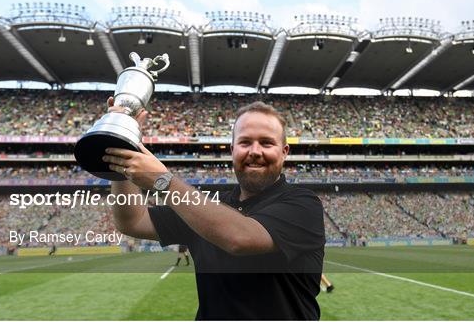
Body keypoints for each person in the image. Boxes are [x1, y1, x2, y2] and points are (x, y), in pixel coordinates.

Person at [103, 99, 325, 320]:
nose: (255, 151)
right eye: (245, 142)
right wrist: (125, 142)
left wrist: (164, 181)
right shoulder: (205, 208)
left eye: (267, 143)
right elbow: (132, 221)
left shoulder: (304, 204)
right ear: (232, 150)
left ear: (284, 151)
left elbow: (240, 238)